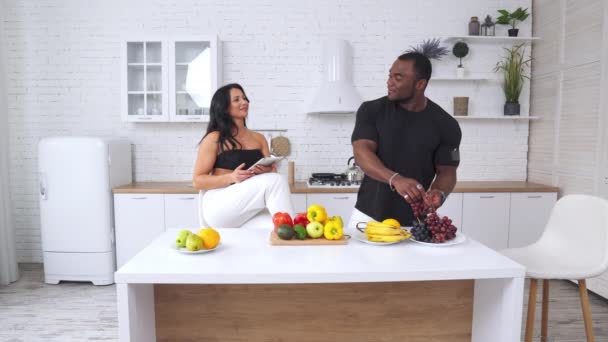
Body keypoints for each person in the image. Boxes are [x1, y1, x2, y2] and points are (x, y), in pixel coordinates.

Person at [348, 52, 462, 228]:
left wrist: (439, 192)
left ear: (420, 84)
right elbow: (361, 153)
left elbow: (447, 172)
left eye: (398, 77)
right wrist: (395, 179)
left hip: (415, 223)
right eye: (390, 75)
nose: (389, 82)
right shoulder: (371, 110)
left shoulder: (446, 124)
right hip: (367, 217)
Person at [193, 83, 293, 227]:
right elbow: (197, 181)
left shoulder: (259, 138)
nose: (244, 102)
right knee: (276, 181)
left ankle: (292, 239)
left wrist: (268, 170)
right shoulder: (214, 138)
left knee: (276, 228)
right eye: (237, 99)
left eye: (245, 98)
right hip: (219, 205)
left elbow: (272, 174)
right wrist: (232, 177)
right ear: (224, 107)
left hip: (245, 208)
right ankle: (295, 232)